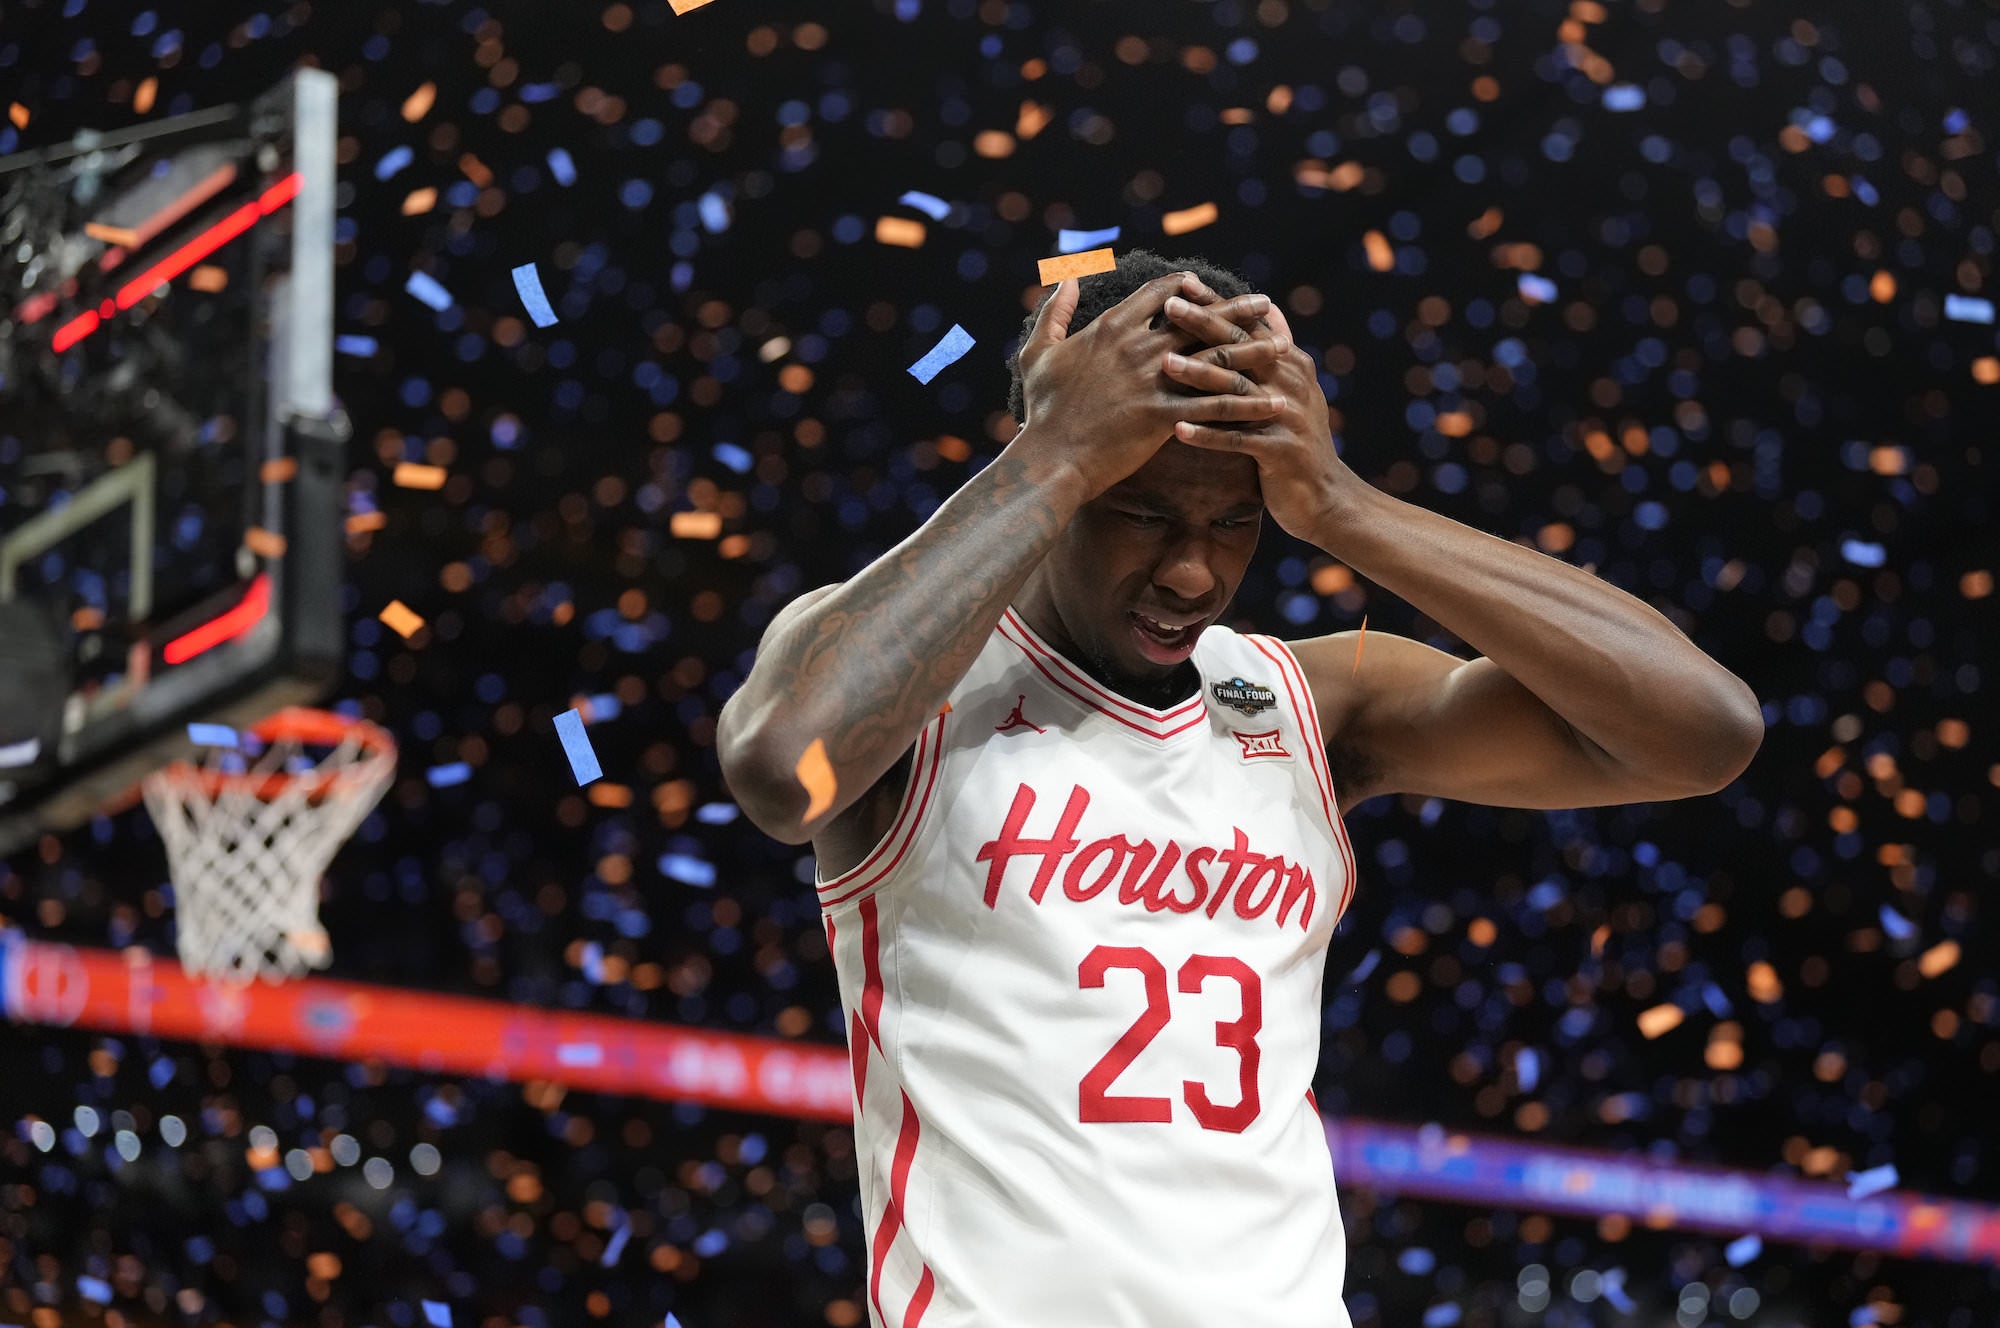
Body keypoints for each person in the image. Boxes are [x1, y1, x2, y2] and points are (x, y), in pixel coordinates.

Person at [717, 249, 1764, 1327]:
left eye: (1232, 522)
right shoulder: (911, 689)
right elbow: (779, 767)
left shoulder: (1316, 701)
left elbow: (1704, 733)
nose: (1192, 574)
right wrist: (1053, 454)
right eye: (1142, 512)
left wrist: (1342, 504)